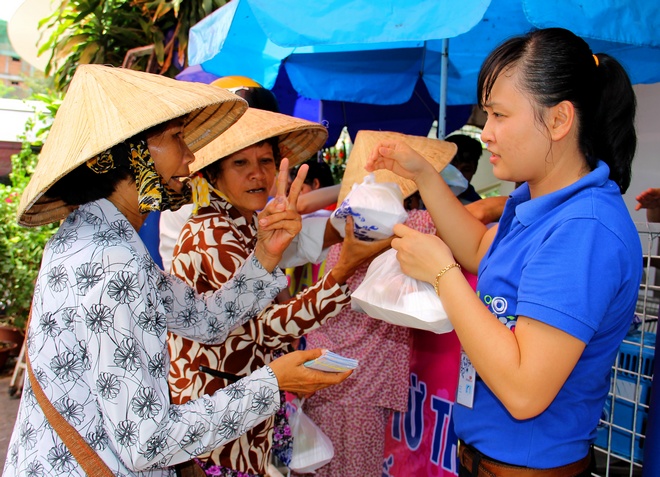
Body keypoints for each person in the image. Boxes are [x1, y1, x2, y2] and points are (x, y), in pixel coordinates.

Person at [3, 65, 352, 477]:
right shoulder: (113, 262)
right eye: (176, 139)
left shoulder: (94, 238)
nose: (190, 156)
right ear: (130, 153)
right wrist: (271, 383)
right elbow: (145, 441)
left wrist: (264, 255)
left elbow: (204, 319)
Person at [367, 27, 641, 476]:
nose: (485, 132)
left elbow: (524, 390)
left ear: (558, 120)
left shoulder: (584, 229)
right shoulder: (534, 201)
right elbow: (478, 248)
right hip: (484, 457)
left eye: (499, 115)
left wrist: (441, 274)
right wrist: (423, 174)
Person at [167, 108, 392, 477]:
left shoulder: (241, 224)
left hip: (234, 415)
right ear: (213, 173)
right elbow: (265, 328)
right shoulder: (214, 231)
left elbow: (292, 253)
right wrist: (343, 271)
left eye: (265, 161)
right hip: (216, 424)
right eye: (240, 163)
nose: (257, 173)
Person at [297, 130, 458, 477]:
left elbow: (306, 206)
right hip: (359, 385)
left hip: (331, 373)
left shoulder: (348, 225)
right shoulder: (405, 226)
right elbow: (473, 217)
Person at [445, 133, 485, 204]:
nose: (458, 174)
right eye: (452, 168)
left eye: (466, 169)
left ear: (474, 170)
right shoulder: (420, 197)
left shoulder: (478, 207)